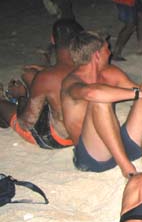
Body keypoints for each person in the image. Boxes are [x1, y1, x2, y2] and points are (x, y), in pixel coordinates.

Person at [61, 31, 142, 177]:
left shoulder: (110, 73)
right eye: (107, 49)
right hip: (94, 157)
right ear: (97, 55)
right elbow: (92, 93)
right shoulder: (71, 82)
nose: (110, 53)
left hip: (121, 144)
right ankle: (127, 169)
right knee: (99, 102)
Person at [0, 19, 83, 148]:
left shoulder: (46, 77)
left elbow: (26, 123)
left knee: (3, 105)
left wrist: (21, 97)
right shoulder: (88, 66)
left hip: (58, 139)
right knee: (29, 74)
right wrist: (46, 69)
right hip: (84, 133)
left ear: (52, 39)